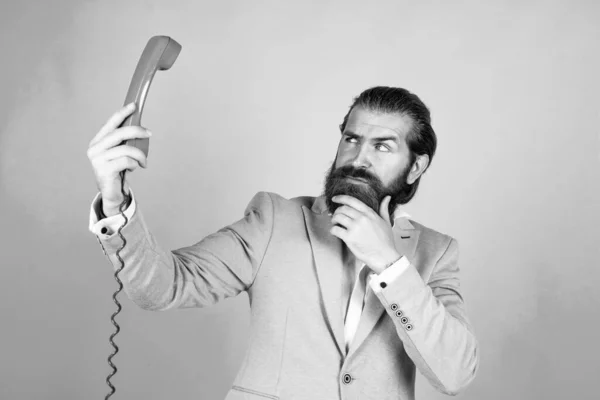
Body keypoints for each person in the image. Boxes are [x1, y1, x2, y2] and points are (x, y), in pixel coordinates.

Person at [87, 86, 479, 400]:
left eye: (383, 146)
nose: (358, 158)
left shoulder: (435, 251)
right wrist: (115, 202)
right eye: (351, 139)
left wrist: (389, 264)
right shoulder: (275, 220)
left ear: (416, 166)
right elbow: (162, 286)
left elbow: (455, 374)